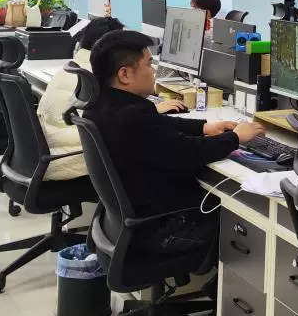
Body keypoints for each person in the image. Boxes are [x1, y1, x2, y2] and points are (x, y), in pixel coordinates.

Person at [84, 30, 264, 254]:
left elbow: (159, 125)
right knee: (245, 224)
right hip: (161, 229)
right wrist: (236, 137)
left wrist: (203, 127)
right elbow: (187, 152)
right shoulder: (133, 116)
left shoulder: (103, 104)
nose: (154, 71)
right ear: (125, 74)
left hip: (129, 223)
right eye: (149, 64)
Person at [34, 16, 188, 182]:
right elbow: (116, 120)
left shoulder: (73, 68)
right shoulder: (97, 78)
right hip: (68, 160)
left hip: (50, 152)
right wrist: (154, 109)